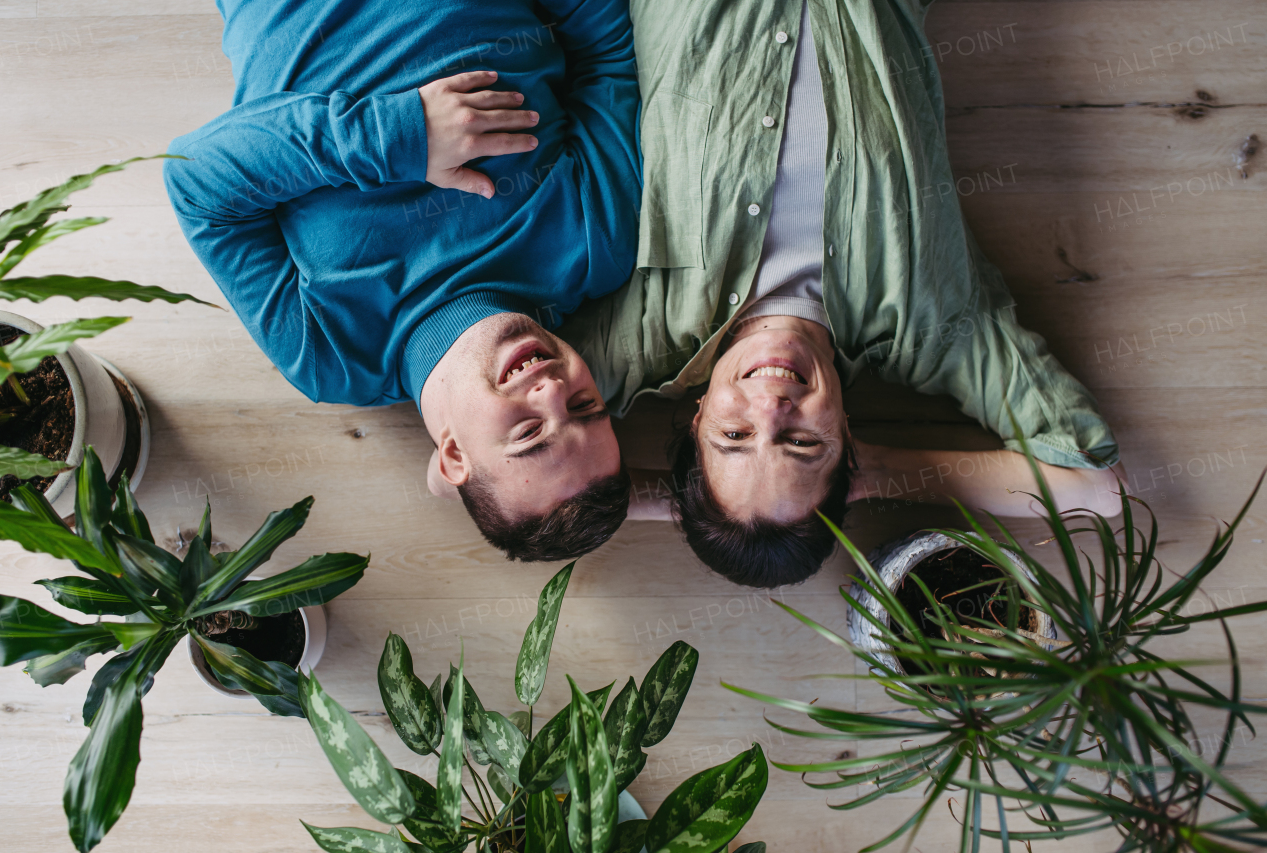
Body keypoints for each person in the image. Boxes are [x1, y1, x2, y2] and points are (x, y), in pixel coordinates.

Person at [563, 0, 1125, 587]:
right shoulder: (926, 325)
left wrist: (680, 503)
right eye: (803, 442)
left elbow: (469, 466)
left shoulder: (648, 331)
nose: (772, 405)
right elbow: (1095, 486)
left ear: (698, 416)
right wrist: (877, 472)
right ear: (846, 442)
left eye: (734, 436)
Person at [164, 0, 642, 561]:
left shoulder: (333, 357)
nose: (555, 391)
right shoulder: (598, 247)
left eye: (530, 434)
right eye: (586, 406)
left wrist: (400, 135)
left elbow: (196, 179)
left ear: (454, 458)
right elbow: (605, 55)